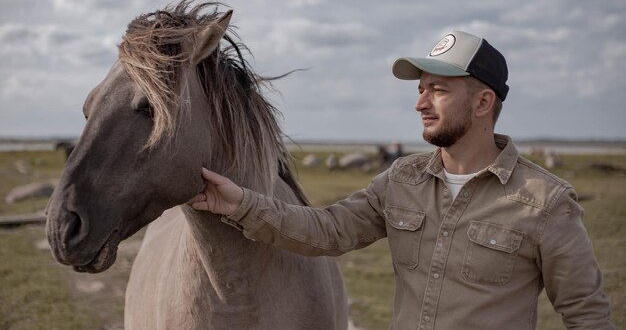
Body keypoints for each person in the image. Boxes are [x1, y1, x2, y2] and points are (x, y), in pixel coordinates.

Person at [188, 30, 614, 330]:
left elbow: (586, 315)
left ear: (484, 102)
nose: (420, 104)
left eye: (438, 91)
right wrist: (241, 203)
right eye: (421, 89)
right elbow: (328, 231)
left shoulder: (546, 203)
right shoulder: (402, 179)